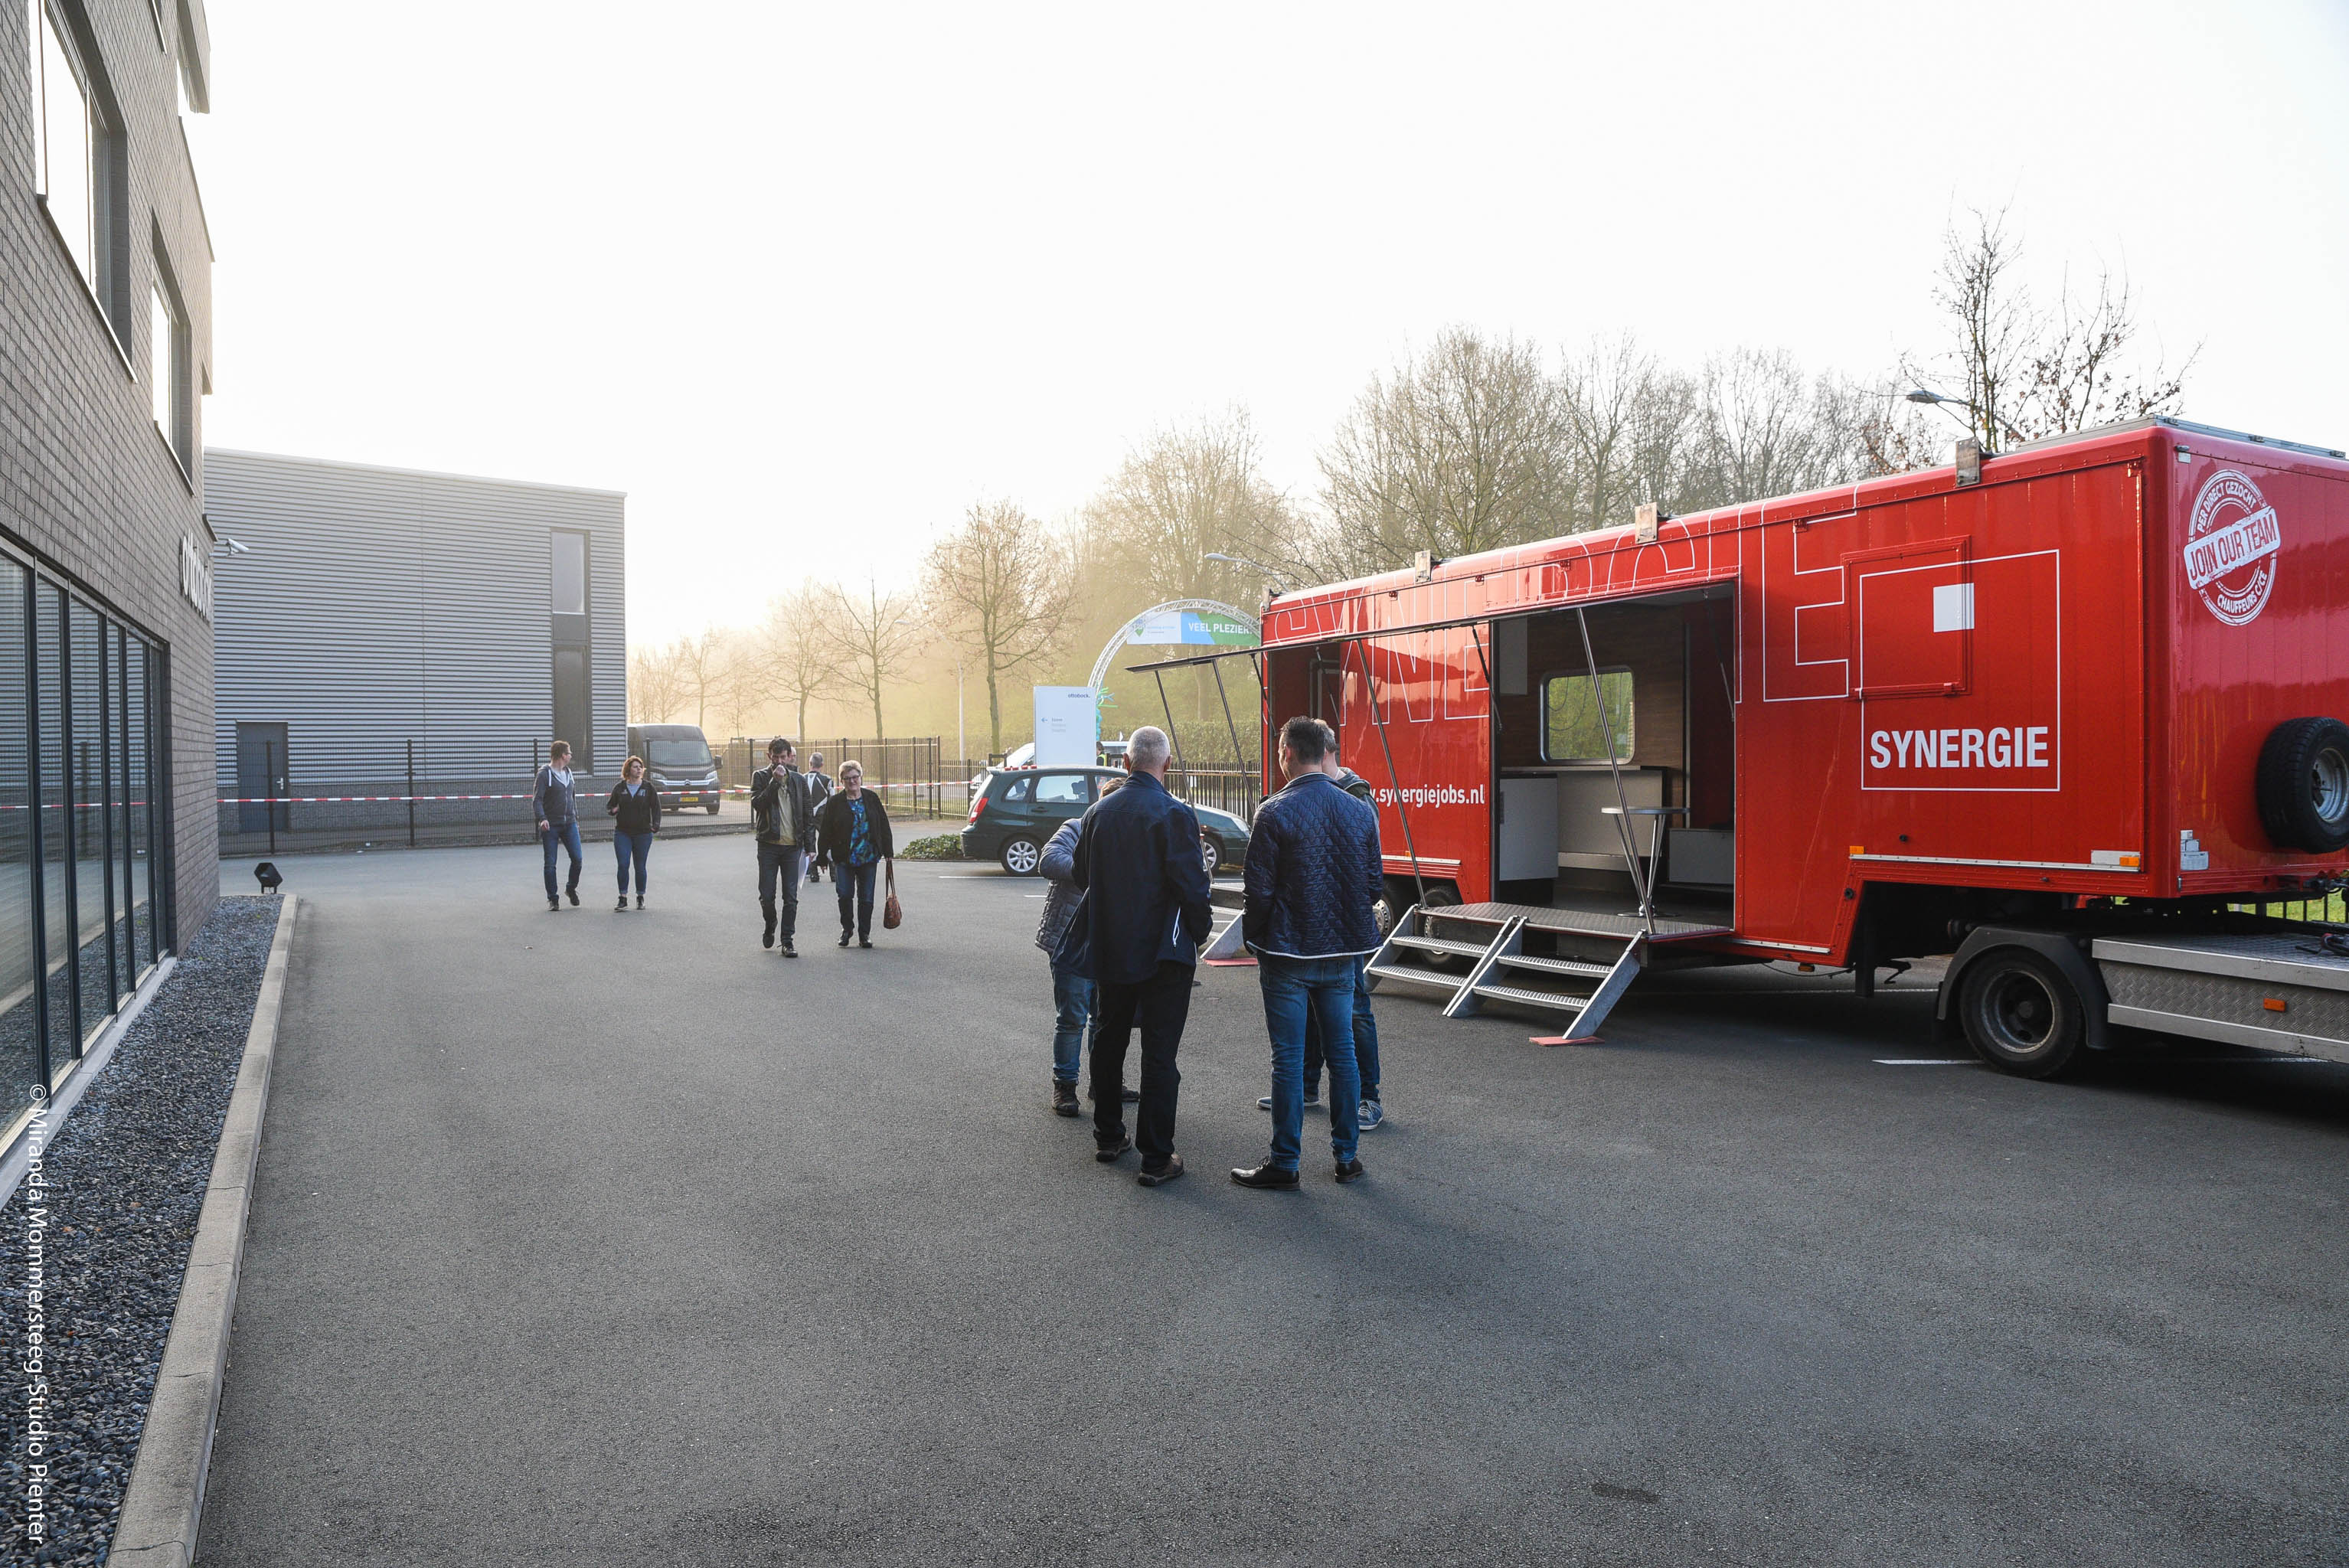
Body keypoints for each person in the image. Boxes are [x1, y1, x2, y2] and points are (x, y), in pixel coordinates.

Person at [1233, 715, 1384, 1190]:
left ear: (1288, 753)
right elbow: (1374, 884)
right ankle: (1346, 1158)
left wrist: (1256, 939)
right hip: (1342, 953)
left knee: (1289, 1060)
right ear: (1324, 753)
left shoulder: (1274, 812)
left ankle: (1285, 1161)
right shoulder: (1359, 809)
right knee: (1343, 1056)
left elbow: (1256, 891)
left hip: (1288, 953)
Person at [1069, 726, 1213, 1187]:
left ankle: (1108, 1136)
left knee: (1109, 1041)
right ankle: (1156, 1157)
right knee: (1159, 1054)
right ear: (1165, 764)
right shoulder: (1174, 813)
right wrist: (1201, 930)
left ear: (1126, 763)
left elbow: (1080, 873)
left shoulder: (1098, 813)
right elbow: (1193, 885)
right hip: (1163, 952)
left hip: (1111, 945)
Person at [1263, 722, 1388, 1129]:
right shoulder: (1340, 800)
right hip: (1334, 933)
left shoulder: (1356, 799)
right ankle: (1309, 1088)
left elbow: (1371, 877)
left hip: (1339, 935)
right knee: (1328, 1019)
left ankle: (1368, 1098)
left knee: (1354, 1017)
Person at [1036, 776, 1126, 1116]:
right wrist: (1097, 870)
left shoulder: (1127, 837)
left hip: (1110, 943)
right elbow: (1048, 861)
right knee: (1072, 1017)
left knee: (1104, 1018)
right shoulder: (1075, 828)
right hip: (1070, 941)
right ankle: (1065, 1087)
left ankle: (1103, 1083)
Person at [815, 760, 894, 948]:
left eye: (855, 777)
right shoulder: (835, 803)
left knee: (866, 897)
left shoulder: (871, 798)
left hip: (869, 857)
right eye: (847, 778)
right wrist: (822, 856)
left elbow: (883, 825)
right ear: (842, 781)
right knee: (844, 895)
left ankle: (864, 934)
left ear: (861, 777)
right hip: (844, 858)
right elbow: (825, 830)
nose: (852, 782)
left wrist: (888, 852)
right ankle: (847, 929)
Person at [751, 737, 817, 956]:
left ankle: (787, 940)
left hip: (792, 848)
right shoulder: (760, 776)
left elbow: (808, 814)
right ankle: (771, 923)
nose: (779, 761)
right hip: (768, 845)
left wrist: (810, 846)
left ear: (790, 756)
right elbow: (758, 805)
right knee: (767, 895)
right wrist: (774, 782)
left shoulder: (799, 780)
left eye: (783, 757)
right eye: (775, 757)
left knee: (791, 896)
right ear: (769, 756)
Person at [606, 755, 662, 910]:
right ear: (628, 769)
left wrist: (655, 826)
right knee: (623, 864)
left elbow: (656, 809)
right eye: (635, 767)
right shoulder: (620, 788)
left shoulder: (648, 788)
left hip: (643, 833)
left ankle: (640, 897)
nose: (639, 769)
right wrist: (613, 810)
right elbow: (609, 806)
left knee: (640, 866)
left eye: (640, 767)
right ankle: (622, 898)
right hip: (623, 832)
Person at [534, 741, 584, 911]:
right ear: (563, 755)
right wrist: (542, 819)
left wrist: (575, 819)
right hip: (551, 825)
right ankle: (553, 899)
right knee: (550, 863)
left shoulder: (569, 773)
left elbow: (573, 797)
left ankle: (571, 888)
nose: (571, 756)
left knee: (577, 859)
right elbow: (537, 800)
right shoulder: (544, 775)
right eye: (569, 753)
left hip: (569, 823)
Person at [803, 753, 835, 884]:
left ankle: (813, 874)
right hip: (823, 815)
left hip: (806, 816)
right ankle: (834, 873)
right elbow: (832, 798)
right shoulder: (827, 779)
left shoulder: (801, 778)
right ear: (822, 765)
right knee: (828, 842)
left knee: (810, 843)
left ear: (810, 764)